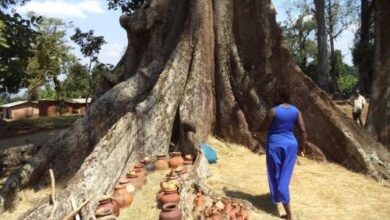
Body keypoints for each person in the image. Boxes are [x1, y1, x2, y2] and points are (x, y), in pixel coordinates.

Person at [252, 87, 306, 220]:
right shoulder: (296, 111)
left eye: (275, 95)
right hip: (291, 145)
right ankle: (282, 202)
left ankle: (289, 214)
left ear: (280, 97)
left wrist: (256, 131)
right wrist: (302, 148)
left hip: (275, 145)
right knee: (285, 174)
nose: (273, 97)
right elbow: (303, 131)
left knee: (276, 176)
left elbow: (264, 127)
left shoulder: (273, 111)